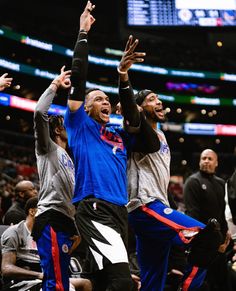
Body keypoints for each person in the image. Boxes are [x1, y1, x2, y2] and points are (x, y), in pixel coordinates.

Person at [117, 36, 224, 291]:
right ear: (142, 108)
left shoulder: (160, 135)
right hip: (144, 207)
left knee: (153, 278)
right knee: (208, 238)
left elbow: (160, 180)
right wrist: (123, 75)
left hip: (155, 207)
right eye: (152, 99)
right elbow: (131, 113)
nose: (160, 102)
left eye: (158, 98)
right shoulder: (137, 129)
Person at [64, 2, 144, 290]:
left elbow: (135, 120)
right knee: (123, 282)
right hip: (94, 206)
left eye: (106, 99)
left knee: (99, 281)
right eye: (97, 99)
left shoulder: (117, 132)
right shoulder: (78, 125)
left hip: (119, 209)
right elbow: (78, 78)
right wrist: (83, 34)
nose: (105, 102)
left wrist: (123, 76)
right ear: (85, 107)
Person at [32, 67, 81, 290]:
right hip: (50, 218)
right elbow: (39, 112)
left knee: (60, 280)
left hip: (66, 221)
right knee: (57, 283)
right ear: (58, 129)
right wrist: (55, 84)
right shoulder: (47, 148)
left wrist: (76, 228)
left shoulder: (69, 158)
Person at [1, 197, 92, 291]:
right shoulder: (15, 232)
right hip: (22, 280)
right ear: (32, 212)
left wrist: (74, 243)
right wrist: (39, 275)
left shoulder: (48, 233)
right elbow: (6, 268)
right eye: (46, 211)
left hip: (46, 275)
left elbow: (59, 259)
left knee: (85, 283)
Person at [184, 149, 231, 291]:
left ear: (216, 163)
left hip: (220, 247)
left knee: (221, 284)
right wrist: (207, 244)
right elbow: (193, 216)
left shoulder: (221, 183)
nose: (206, 161)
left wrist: (224, 239)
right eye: (203, 158)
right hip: (202, 248)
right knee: (201, 285)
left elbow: (223, 213)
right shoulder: (193, 182)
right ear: (199, 161)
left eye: (210, 159)